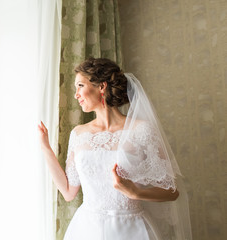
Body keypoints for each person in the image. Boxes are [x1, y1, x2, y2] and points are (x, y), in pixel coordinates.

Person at [38, 57, 192, 240]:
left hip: (132, 230)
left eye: (80, 86)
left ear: (101, 86)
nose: (75, 95)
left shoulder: (141, 130)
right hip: (87, 229)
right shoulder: (78, 134)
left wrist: (135, 192)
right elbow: (69, 192)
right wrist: (45, 147)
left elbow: (172, 192)